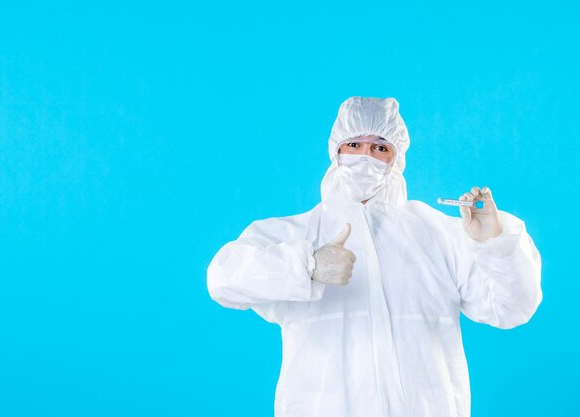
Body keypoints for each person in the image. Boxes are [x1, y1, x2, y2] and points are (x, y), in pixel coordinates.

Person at [206, 96, 542, 417]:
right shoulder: (298, 234)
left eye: (380, 147)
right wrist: (306, 265)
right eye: (353, 145)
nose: (365, 156)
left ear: (396, 159)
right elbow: (222, 278)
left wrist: (494, 242)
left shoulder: (438, 234)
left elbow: (511, 309)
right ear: (335, 151)